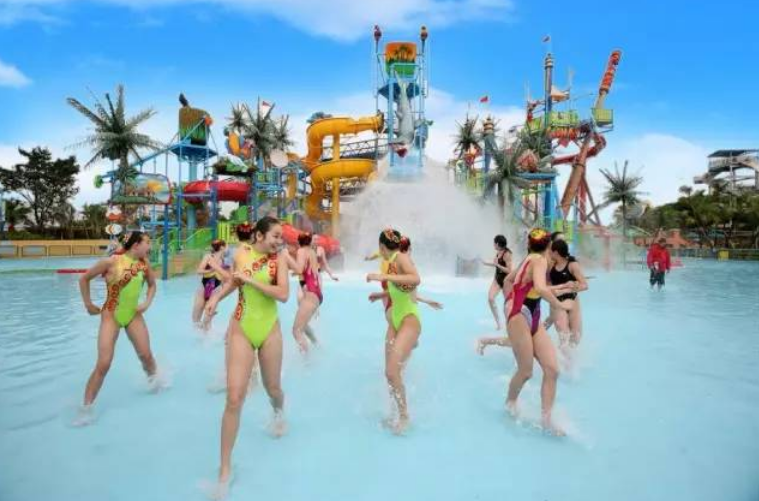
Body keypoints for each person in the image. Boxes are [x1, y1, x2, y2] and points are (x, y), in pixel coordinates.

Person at [203, 217, 290, 493]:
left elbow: (283, 294)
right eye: (275, 235)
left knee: (272, 388)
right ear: (260, 235)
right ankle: (225, 467)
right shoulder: (242, 253)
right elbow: (235, 282)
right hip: (241, 327)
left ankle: (278, 411)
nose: (279, 240)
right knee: (234, 397)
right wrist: (215, 298)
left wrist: (251, 280)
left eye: (281, 236)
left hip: (269, 329)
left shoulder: (280, 260)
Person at [76, 231, 161, 419]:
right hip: (111, 316)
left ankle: (156, 384)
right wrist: (88, 304)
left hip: (133, 315)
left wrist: (146, 303)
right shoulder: (111, 262)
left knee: (146, 356)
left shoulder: (144, 264)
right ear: (136, 245)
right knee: (104, 364)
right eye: (147, 242)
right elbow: (84, 278)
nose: (150, 246)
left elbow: (152, 285)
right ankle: (85, 409)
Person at [503, 228, 571, 436]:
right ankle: (510, 403)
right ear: (549, 246)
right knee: (526, 371)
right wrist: (560, 305)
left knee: (552, 369)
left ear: (529, 244)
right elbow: (540, 288)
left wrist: (508, 302)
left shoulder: (529, 259)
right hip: (520, 314)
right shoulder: (539, 260)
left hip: (530, 312)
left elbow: (508, 281)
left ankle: (546, 420)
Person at [366, 229, 422, 435]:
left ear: (382, 247)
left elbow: (415, 279)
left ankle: (405, 416)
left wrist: (382, 276)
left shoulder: (400, 257)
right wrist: (380, 294)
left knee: (392, 371)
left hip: (409, 319)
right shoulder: (391, 260)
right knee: (389, 373)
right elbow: (400, 287)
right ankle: (394, 413)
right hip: (395, 322)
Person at [369, 236, 443, 311]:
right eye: (409, 249)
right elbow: (399, 290)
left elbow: (407, 291)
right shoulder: (398, 266)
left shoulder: (399, 265)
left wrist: (427, 301)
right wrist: (380, 295)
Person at [547, 239, 588, 356]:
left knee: (576, 337)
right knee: (564, 337)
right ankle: (563, 363)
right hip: (557, 303)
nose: (549, 253)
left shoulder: (572, 265)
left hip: (573, 301)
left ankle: (569, 360)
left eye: (551, 251)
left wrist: (571, 287)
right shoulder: (550, 265)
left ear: (556, 252)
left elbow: (584, 285)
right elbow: (546, 286)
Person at [288, 232, 324, 354]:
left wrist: (286, 258)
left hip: (310, 293)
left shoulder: (301, 251)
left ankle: (306, 359)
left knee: (296, 330)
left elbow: (299, 269)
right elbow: (308, 271)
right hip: (316, 293)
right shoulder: (312, 252)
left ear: (299, 243)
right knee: (302, 326)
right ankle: (317, 345)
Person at [193, 239, 229, 329]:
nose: (227, 248)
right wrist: (211, 270)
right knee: (195, 319)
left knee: (207, 319)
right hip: (203, 287)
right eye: (226, 246)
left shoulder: (225, 260)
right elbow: (199, 271)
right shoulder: (208, 257)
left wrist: (223, 288)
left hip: (216, 288)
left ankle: (206, 334)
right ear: (222, 247)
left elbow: (226, 278)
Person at [482, 235, 512, 330]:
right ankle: (498, 323)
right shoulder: (498, 252)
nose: (493, 245)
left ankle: (511, 324)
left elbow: (509, 270)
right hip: (497, 279)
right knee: (490, 299)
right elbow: (496, 264)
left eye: (494, 243)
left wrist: (497, 265)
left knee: (508, 304)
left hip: (506, 281)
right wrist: (485, 263)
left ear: (498, 244)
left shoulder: (507, 254)